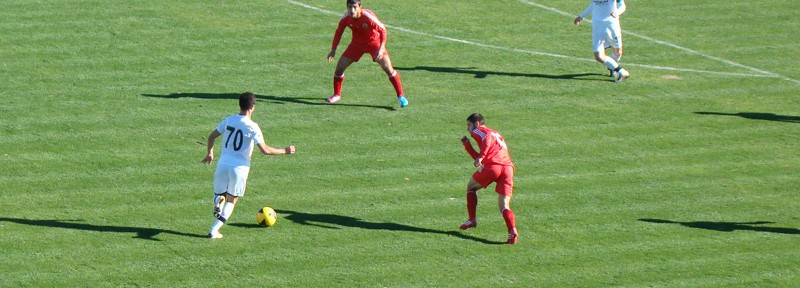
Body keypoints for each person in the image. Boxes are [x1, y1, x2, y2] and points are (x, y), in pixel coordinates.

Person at [201, 92, 296, 239]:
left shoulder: (229, 120)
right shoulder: (252, 126)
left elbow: (211, 136)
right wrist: (285, 151)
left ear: (240, 105)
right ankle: (214, 230)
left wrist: (210, 153)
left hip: (222, 165)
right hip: (239, 168)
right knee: (232, 199)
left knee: (221, 195)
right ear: (252, 106)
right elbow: (265, 150)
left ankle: (218, 200)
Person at [326, 0, 408, 108]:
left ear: (360, 7)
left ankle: (401, 96)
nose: (352, 10)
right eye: (349, 7)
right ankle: (337, 94)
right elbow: (339, 32)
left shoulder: (368, 17)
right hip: (356, 44)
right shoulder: (345, 18)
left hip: (374, 43)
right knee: (339, 68)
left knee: (387, 67)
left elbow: (383, 30)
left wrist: (381, 48)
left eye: (355, 7)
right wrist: (333, 49)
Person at [459, 113, 518, 244]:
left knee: (470, 187)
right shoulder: (496, 133)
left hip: (494, 166)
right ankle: (512, 230)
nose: (468, 129)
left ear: (477, 124)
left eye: (468, 125)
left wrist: (481, 156)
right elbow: (481, 159)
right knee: (504, 205)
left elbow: (487, 140)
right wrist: (468, 146)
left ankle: (472, 219)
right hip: (508, 168)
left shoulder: (480, 131)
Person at [573, 0, 630, 83]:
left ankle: (612, 67)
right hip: (597, 25)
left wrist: (617, 12)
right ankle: (622, 72)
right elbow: (593, 4)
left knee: (618, 52)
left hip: (612, 24)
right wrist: (581, 16)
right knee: (598, 56)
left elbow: (622, 6)